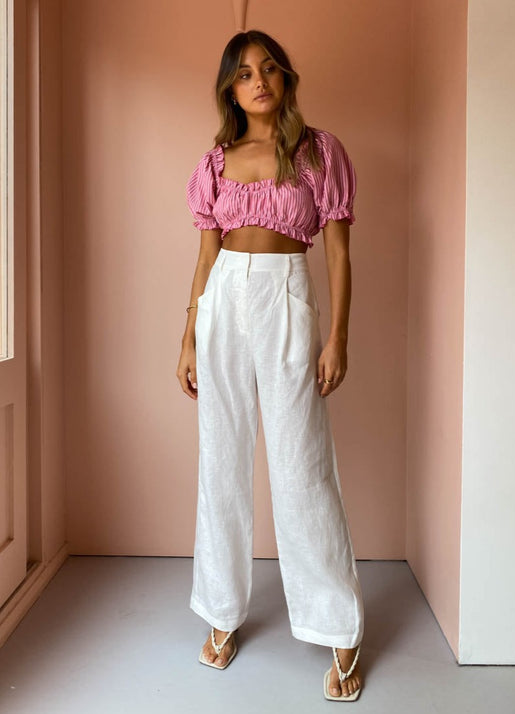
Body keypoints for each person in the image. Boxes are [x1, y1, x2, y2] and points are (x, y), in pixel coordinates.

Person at [176, 29, 365, 701]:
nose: (258, 81)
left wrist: (337, 336)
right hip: (223, 300)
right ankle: (221, 611)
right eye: (243, 73)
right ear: (230, 89)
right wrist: (188, 336)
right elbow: (206, 257)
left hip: (286, 296)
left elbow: (337, 252)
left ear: (285, 78)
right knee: (220, 458)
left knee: (300, 463)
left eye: (269, 69)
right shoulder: (216, 162)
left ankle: (337, 623)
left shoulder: (319, 152)